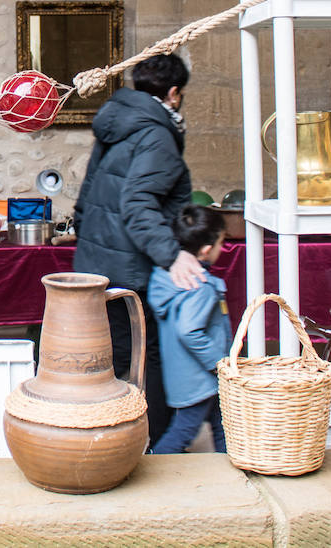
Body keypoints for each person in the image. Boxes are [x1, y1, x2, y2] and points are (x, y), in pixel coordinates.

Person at [71, 52, 203, 444]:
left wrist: (88, 237)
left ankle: (113, 441)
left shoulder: (116, 119)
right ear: (174, 94)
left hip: (99, 261)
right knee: (148, 360)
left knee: (112, 357)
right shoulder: (157, 133)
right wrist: (172, 254)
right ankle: (157, 447)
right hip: (133, 269)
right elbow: (137, 203)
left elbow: (88, 191)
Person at [148, 206, 229, 455]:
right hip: (200, 379)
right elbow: (189, 331)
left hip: (185, 376)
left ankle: (235, 468)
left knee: (225, 424)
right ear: (206, 250)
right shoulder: (199, 287)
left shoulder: (165, 278)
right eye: (220, 243)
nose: (221, 248)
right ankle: (154, 469)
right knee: (183, 432)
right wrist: (218, 362)